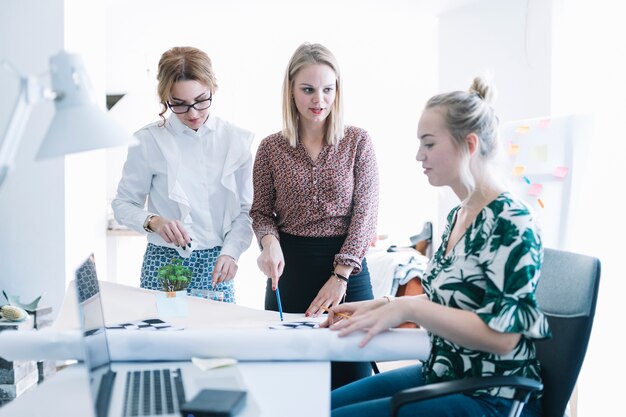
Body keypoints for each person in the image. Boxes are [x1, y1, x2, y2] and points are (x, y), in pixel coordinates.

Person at [323, 76, 551, 417]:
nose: (419, 155)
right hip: (446, 373)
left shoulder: (511, 221)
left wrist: (410, 310)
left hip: (492, 396)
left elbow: (504, 337)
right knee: (315, 407)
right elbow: (449, 300)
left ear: (469, 145)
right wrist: (381, 305)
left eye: (429, 144)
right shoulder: (460, 215)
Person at [250, 42, 379, 389]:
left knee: (353, 383)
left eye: (327, 89)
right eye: (308, 89)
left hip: (348, 273)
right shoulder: (270, 148)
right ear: (290, 91)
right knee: (290, 382)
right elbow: (262, 212)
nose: (318, 99)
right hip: (289, 271)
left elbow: (365, 215)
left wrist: (340, 275)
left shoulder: (357, 142)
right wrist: (269, 242)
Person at [112, 46, 254, 303]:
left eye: (201, 100)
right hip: (163, 264)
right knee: (161, 341)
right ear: (166, 98)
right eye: (179, 104)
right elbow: (122, 204)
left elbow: (247, 210)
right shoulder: (149, 140)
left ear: (213, 88)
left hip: (217, 265)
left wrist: (232, 253)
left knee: (216, 341)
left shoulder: (235, 141)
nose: (193, 113)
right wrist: (154, 221)